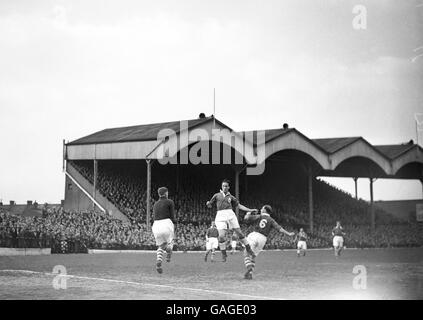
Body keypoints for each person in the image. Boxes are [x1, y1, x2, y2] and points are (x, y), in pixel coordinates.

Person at [206, 179, 257, 262]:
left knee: (240, 233)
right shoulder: (216, 195)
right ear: (221, 187)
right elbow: (210, 205)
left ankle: (249, 250)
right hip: (220, 215)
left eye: (226, 186)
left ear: (228, 187)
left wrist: (250, 210)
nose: (224, 187)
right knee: (221, 236)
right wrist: (208, 204)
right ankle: (224, 254)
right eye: (223, 186)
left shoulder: (231, 197)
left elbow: (239, 206)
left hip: (230, 214)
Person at [243, 205, 295, 280]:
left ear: (265, 210)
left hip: (255, 235)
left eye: (262, 208)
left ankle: (249, 269)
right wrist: (288, 233)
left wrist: (248, 213)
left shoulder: (259, 216)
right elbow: (279, 228)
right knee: (253, 256)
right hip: (263, 239)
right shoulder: (271, 220)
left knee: (246, 253)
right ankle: (250, 273)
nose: (261, 209)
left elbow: (246, 218)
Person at [152, 187, 176, 274]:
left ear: (159, 194)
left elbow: (154, 216)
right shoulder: (170, 202)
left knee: (161, 245)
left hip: (156, 225)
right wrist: (174, 224)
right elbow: (172, 216)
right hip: (166, 223)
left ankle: (159, 260)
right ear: (166, 193)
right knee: (171, 241)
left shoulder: (155, 204)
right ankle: (169, 252)